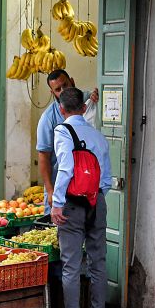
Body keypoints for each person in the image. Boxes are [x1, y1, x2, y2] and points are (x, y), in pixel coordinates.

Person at [49, 87, 112, 308]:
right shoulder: (98, 136)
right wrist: (94, 196)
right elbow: (106, 178)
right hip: (97, 202)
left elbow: (65, 168)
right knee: (98, 263)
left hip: (72, 206)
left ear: (62, 109)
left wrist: (57, 204)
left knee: (71, 266)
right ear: (84, 108)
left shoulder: (63, 131)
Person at [36, 69, 98, 214]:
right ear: (53, 93)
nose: (63, 91)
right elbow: (43, 156)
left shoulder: (88, 100)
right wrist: (51, 191)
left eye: (65, 85)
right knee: (56, 232)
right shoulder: (48, 119)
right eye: (58, 89)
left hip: (87, 187)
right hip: (60, 188)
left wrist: (99, 94)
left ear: (72, 82)